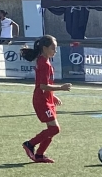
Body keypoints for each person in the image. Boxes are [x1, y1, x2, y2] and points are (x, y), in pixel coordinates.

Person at [21, 35, 69, 163]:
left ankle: (39, 155)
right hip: (41, 101)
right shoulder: (44, 63)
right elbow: (42, 86)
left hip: (46, 98)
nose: (55, 51)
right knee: (54, 129)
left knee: (52, 129)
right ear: (44, 48)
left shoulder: (43, 61)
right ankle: (30, 144)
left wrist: (52, 96)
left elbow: (42, 85)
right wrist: (61, 88)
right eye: (53, 48)